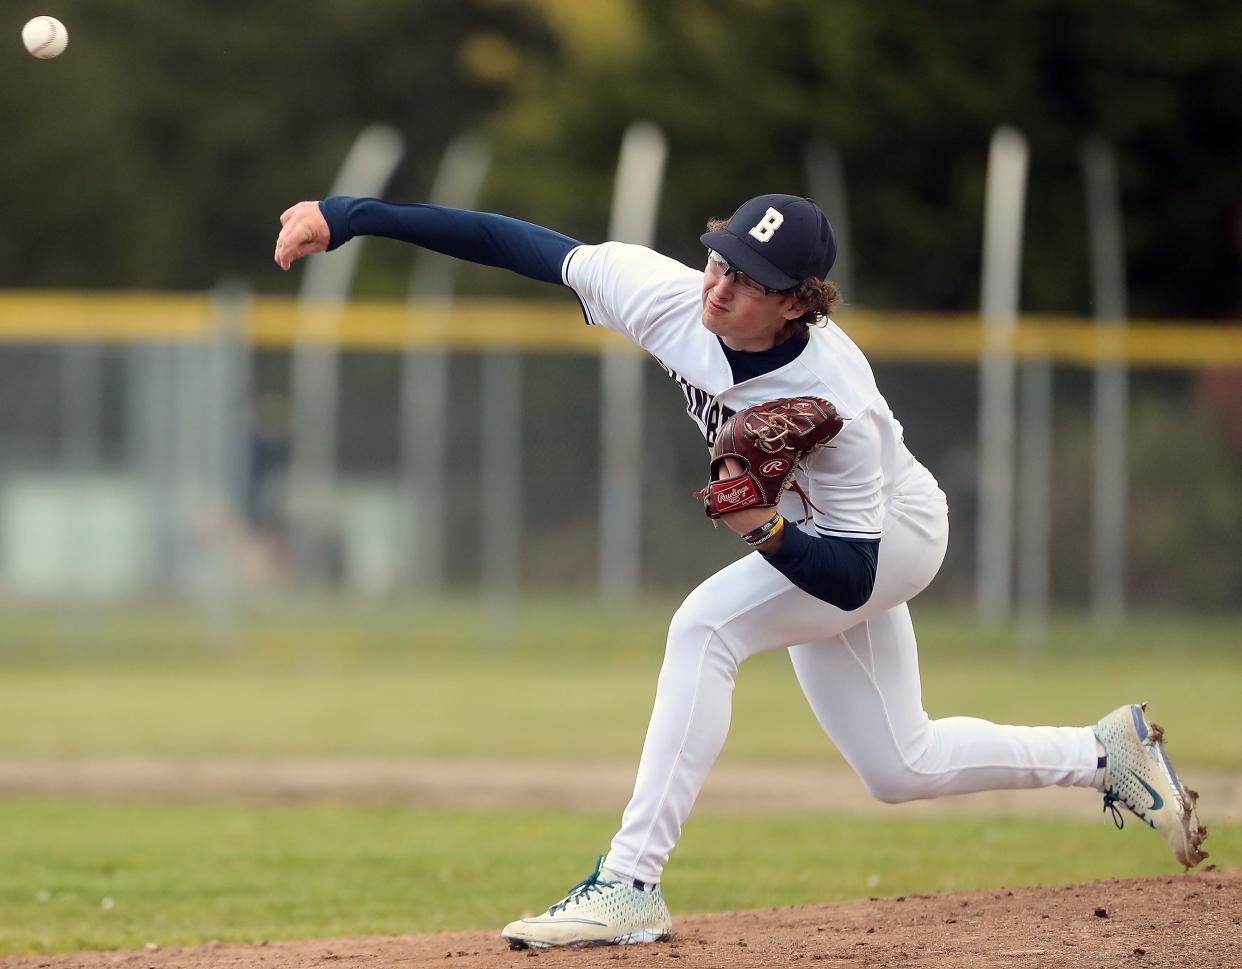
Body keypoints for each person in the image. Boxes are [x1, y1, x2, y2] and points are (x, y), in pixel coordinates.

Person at [274, 193, 1207, 949]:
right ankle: (1105, 753)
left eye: (751, 278)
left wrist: (765, 532)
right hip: (823, 535)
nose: (722, 285)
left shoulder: (835, 401)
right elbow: (510, 241)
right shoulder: (671, 295)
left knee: (704, 628)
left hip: (889, 537)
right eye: (721, 258)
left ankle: (630, 882)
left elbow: (847, 579)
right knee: (899, 763)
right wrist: (350, 215)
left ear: (800, 299)